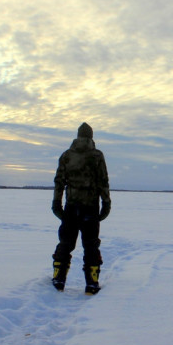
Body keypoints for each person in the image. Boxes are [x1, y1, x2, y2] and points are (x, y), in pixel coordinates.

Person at [51, 122, 111, 294]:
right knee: (91, 245)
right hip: (90, 208)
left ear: (78, 136)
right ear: (91, 137)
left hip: (71, 207)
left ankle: (58, 279)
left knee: (65, 243)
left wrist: (56, 203)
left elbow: (59, 182)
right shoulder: (97, 156)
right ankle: (92, 283)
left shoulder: (66, 156)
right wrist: (106, 203)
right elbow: (103, 181)